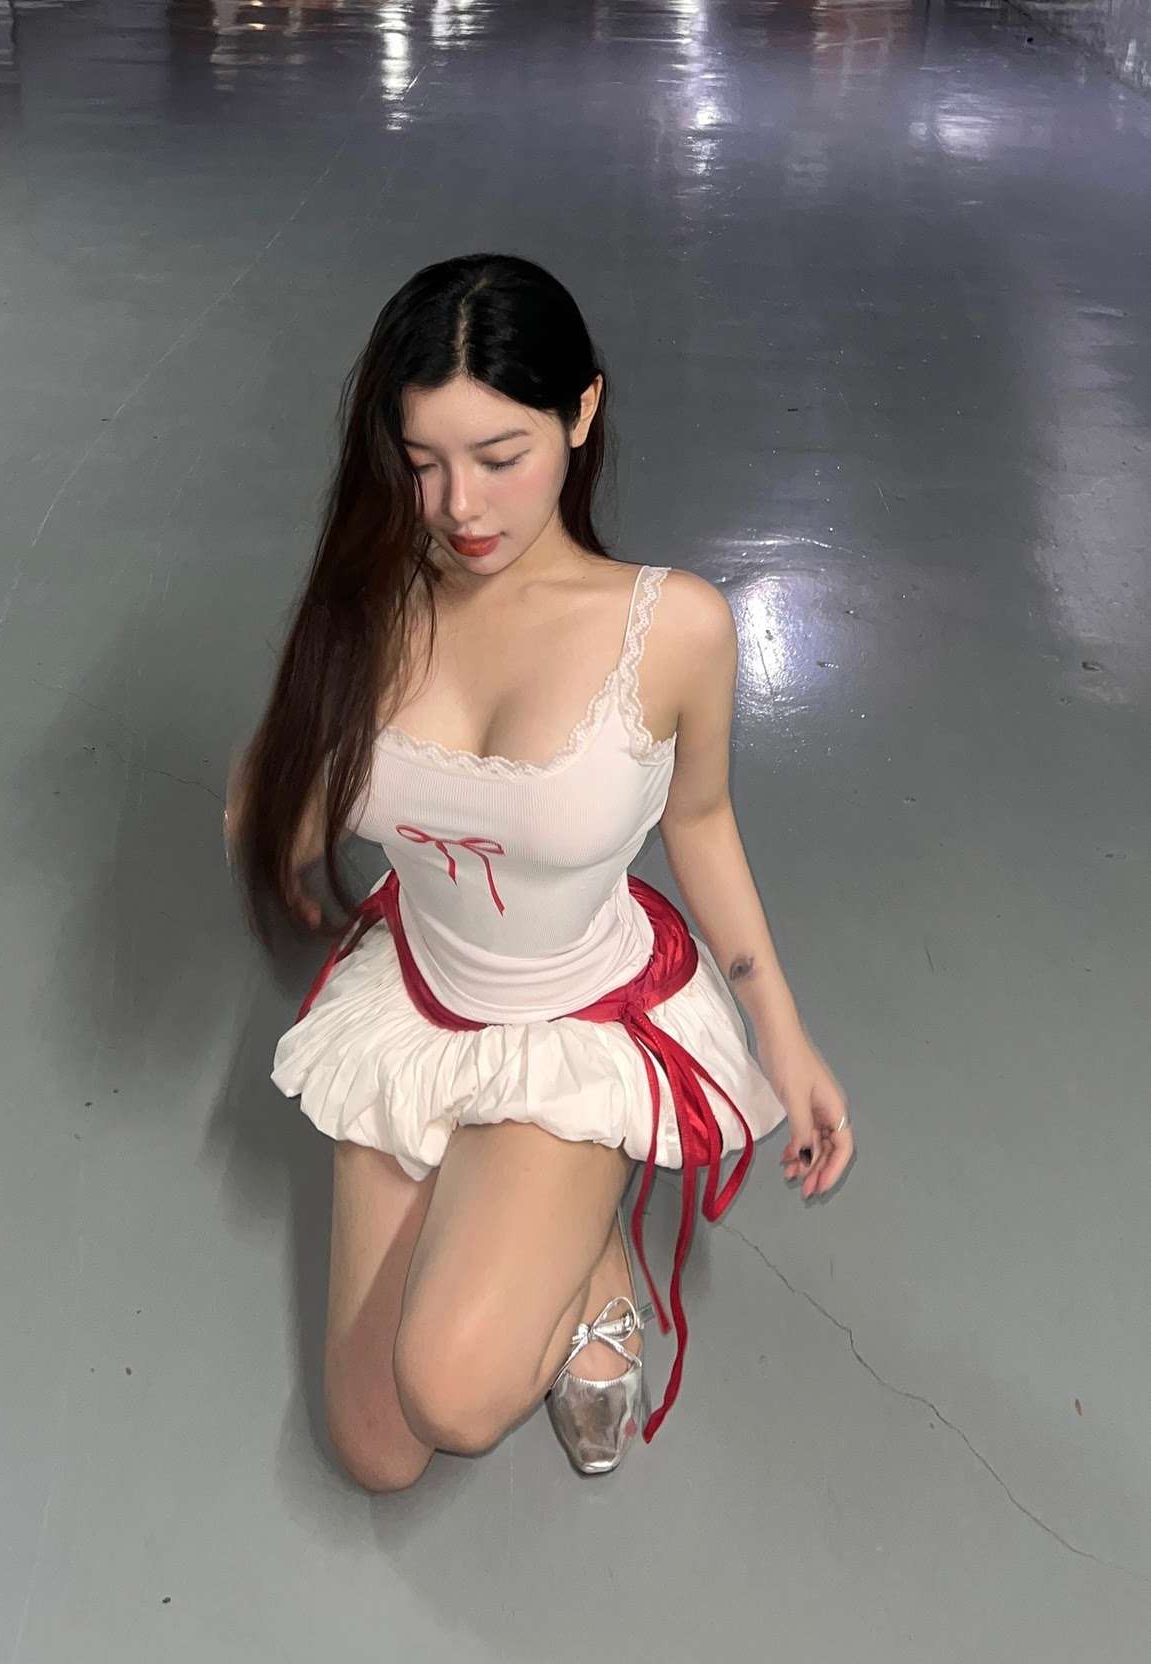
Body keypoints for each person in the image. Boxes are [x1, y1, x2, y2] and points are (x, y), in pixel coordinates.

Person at [224, 252, 854, 1493]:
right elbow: (279, 797)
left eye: (499, 454)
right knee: (377, 1450)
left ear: (580, 412)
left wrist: (780, 1033)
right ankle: (524, 1209)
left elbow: (701, 819)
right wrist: (292, 772)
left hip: (577, 1014)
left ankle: (590, 1239)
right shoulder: (371, 603)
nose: (459, 505)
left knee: (453, 1397)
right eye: (421, 461)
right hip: (421, 991)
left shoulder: (670, 626)